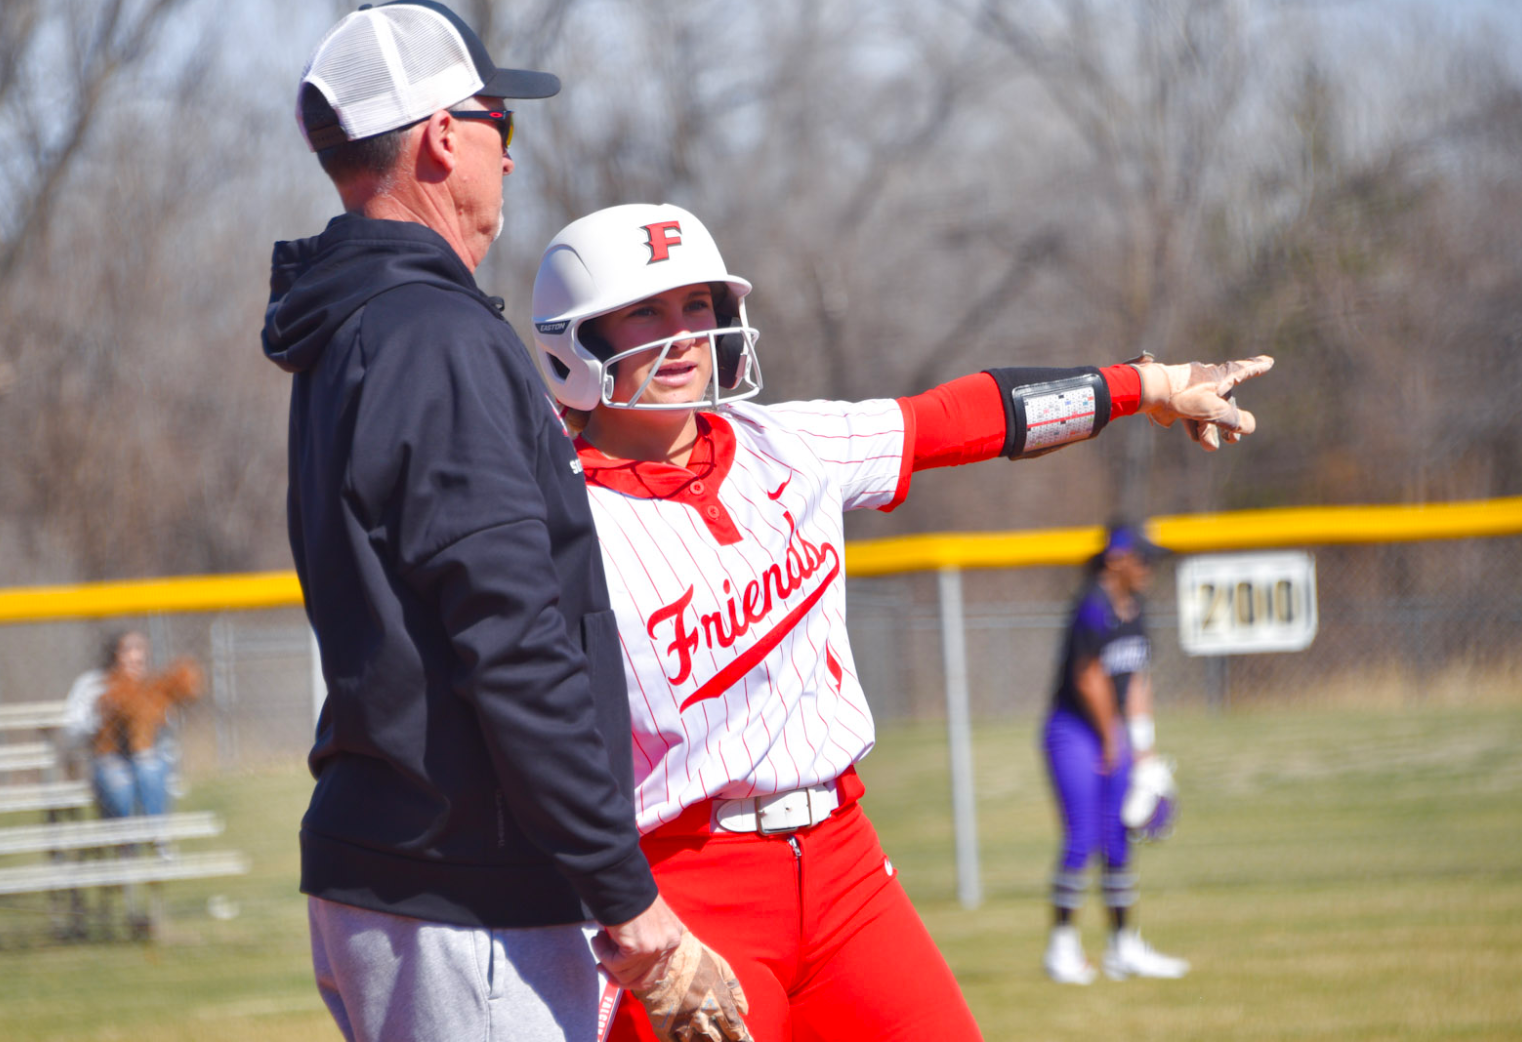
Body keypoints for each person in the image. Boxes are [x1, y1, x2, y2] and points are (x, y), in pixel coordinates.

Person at [528, 202, 1272, 1041]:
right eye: (645, 312)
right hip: (688, 881)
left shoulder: (786, 443)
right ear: (576, 340)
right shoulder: (547, 516)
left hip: (844, 864)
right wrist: (628, 923)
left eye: (698, 306)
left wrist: (1149, 387)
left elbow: (963, 420)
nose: (684, 335)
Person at [261, 3, 745, 1042]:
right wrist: (625, 893)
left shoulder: (356, 324)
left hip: (400, 865)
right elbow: (510, 639)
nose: (509, 160)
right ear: (441, 135)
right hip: (463, 886)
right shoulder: (432, 335)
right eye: (498, 126)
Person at [1041, 523, 1188, 985]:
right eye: (1142, 559)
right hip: (1074, 731)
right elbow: (1090, 678)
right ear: (1116, 560)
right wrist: (1111, 741)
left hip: (1113, 733)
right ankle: (1062, 946)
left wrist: (1143, 752)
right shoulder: (1093, 606)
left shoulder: (1136, 608)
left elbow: (1137, 677)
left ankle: (1124, 946)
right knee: (1082, 835)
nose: (1149, 568)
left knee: (1118, 837)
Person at [62, 630, 201, 821]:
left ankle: (156, 836)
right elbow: (72, 727)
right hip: (107, 758)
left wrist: (156, 719)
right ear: (114, 655)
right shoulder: (93, 684)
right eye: (128, 650)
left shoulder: (152, 685)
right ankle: (126, 845)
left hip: (146, 756)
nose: (135, 656)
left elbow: (165, 730)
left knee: (149, 770)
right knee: (119, 783)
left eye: (140, 650)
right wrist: (102, 717)